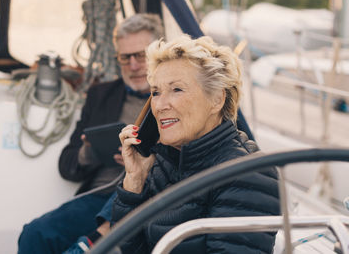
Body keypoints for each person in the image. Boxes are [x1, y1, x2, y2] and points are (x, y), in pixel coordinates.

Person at [112, 35, 280, 254]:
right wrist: (134, 182)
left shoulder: (249, 173)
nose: (160, 105)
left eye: (177, 89)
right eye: (155, 92)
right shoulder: (162, 161)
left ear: (217, 100)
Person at [17, 13, 165, 254]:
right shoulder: (100, 95)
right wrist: (89, 152)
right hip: (100, 195)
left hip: (147, 199)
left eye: (141, 56)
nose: (134, 66)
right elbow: (66, 165)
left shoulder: (171, 98)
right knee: (35, 234)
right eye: (125, 58)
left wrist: (140, 161)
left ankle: (90, 243)